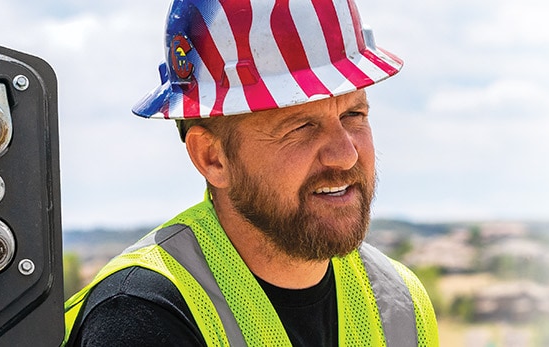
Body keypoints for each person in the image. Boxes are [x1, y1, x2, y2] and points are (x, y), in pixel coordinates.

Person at [60, 0, 437, 346]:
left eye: (353, 115)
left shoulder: (401, 305)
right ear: (212, 159)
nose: (345, 154)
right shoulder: (141, 317)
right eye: (300, 126)